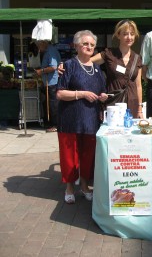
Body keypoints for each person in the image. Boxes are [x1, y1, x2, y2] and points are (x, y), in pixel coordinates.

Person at [56, 30, 107, 204]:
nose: (89, 47)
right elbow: (60, 94)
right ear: (76, 45)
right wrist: (82, 94)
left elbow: (102, 90)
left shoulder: (98, 70)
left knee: (87, 155)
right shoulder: (68, 66)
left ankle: (85, 186)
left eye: (92, 45)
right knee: (69, 155)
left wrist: (103, 96)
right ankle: (70, 187)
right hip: (70, 119)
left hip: (91, 120)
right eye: (85, 43)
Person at [58, 20, 144, 118]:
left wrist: (140, 109)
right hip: (113, 103)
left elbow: (138, 86)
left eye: (132, 34)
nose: (129, 37)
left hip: (132, 103)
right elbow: (84, 61)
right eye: (125, 34)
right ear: (118, 35)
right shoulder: (109, 54)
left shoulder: (137, 58)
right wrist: (65, 65)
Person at [34, 40, 61, 132]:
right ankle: (52, 123)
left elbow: (53, 67)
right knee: (50, 103)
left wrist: (40, 71)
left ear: (43, 43)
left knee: (53, 104)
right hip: (48, 82)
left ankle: (56, 125)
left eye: (39, 46)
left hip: (52, 82)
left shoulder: (50, 51)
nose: (38, 48)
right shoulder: (48, 51)